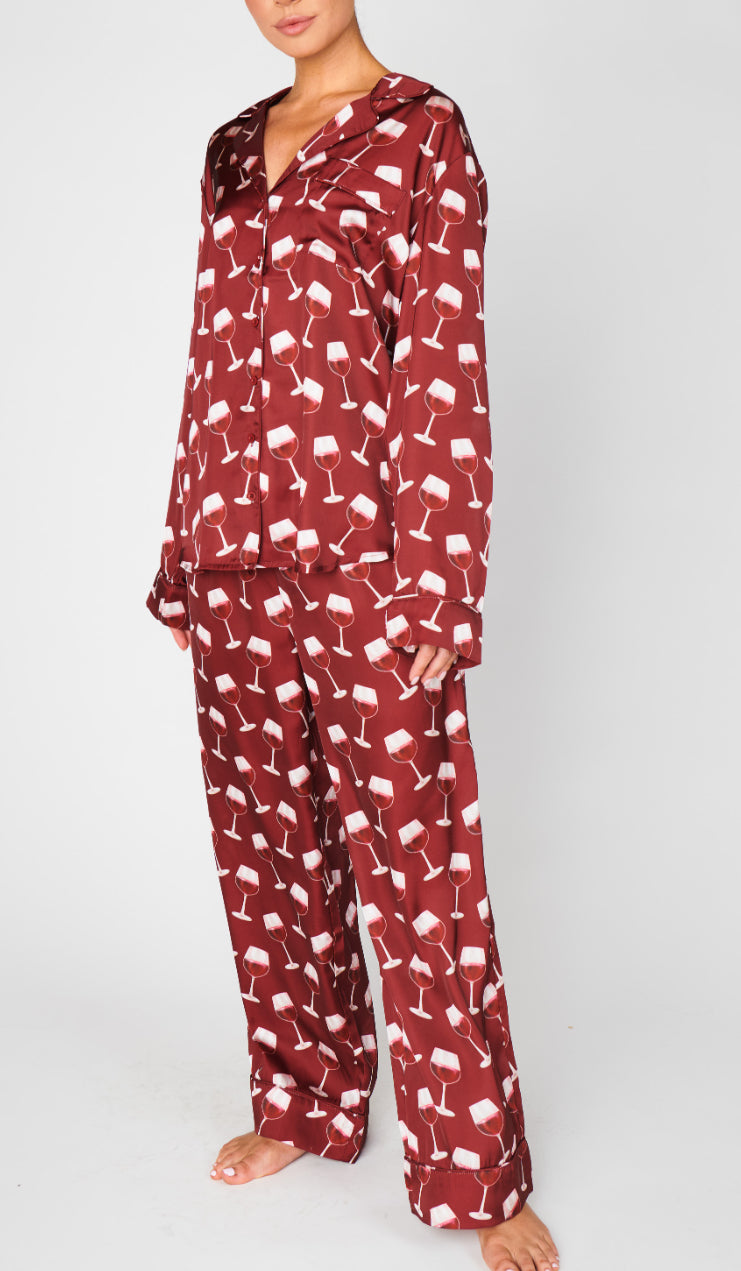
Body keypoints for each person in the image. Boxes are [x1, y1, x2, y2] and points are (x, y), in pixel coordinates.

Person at [144, 3, 560, 1268]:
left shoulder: (423, 131)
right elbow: (215, 354)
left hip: (374, 561)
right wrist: (182, 546)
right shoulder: (229, 148)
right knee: (270, 852)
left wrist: (441, 579)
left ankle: (477, 1171)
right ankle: (307, 1100)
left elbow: (443, 354)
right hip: (233, 553)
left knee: (418, 869)